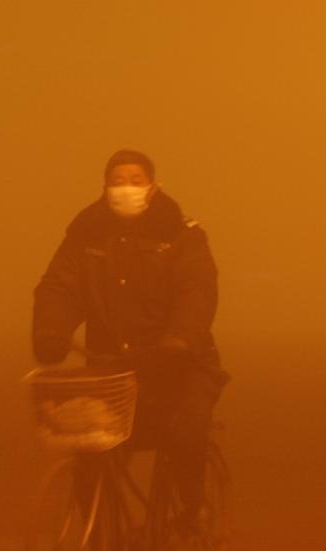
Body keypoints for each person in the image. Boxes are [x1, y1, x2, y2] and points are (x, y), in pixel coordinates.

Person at [32, 148, 229, 525]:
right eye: (117, 181)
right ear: (105, 187)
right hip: (113, 368)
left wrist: (180, 340)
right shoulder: (86, 236)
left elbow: (197, 289)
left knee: (186, 430)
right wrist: (50, 330)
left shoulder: (182, 236)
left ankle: (192, 508)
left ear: (153, 187)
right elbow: (60, 285)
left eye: (135, 181)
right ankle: (96, 538)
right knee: (90, 448)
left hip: (180, 364)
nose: (125, 189)